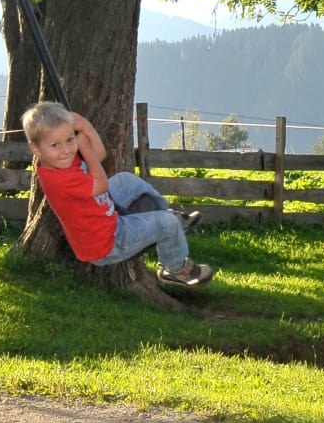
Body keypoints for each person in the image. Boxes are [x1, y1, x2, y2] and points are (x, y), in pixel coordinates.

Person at [21, 100, 212, 288]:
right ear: (35, 148)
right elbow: (102, 185)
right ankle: (176, 269)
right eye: (55, 145)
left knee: (125, 180)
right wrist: (84, 148)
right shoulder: (61, 180)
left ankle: (170, 221)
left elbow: (100, 155)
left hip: (101, 211)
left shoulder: (55, 160)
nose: (66, 150)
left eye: (70, 140)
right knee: (166, 224)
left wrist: (86, 127)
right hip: (108, 241)